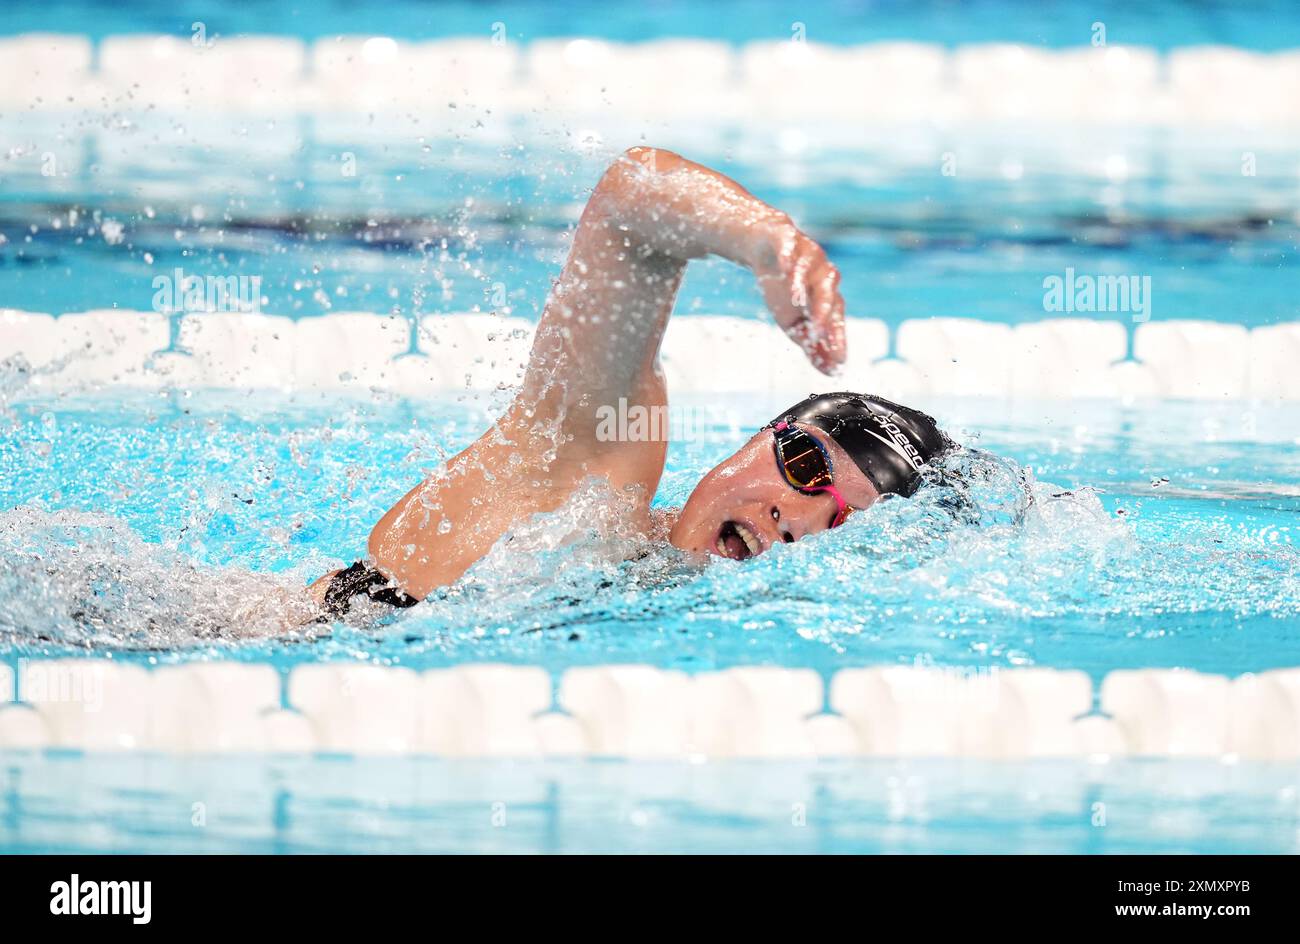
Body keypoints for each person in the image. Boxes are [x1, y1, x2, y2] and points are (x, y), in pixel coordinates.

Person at [311, 148, 951, 618]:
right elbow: (627, 206)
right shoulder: (580, 497)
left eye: (842, 523)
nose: (796, 521)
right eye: (805, 463)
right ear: (756, 441)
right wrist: (768, 241)